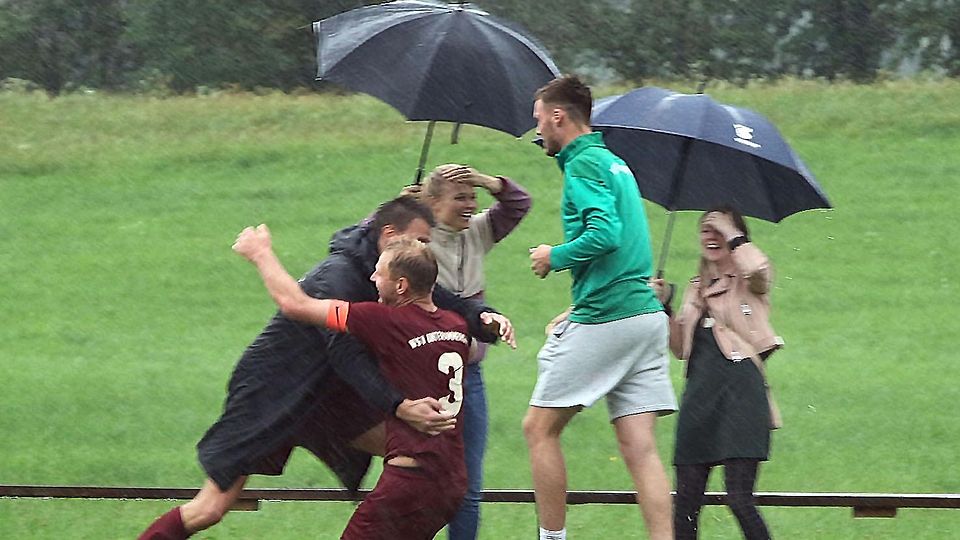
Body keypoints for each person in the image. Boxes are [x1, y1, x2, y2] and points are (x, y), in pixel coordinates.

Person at [138, 196, 514, 539]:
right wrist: (399, 405)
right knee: (210, 509)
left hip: (330, 396)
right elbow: (344, 355)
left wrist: (486, 316)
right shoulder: (341, 277)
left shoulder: (395, 275)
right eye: (419, 240)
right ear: (389, 236)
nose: (424, 249)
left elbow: (440, 298)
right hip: (272, 396)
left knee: (428, 460)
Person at [234, 227, 513, 538]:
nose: (371, 280)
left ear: (402, 285)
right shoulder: (456, 327)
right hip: (452, 482)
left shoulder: (383, 321)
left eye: (379, 273)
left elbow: (295, 305)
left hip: (410, 482)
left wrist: (260, 253)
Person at [524, 75, 677, 540]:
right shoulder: (614, 162)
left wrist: (555, 256)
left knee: (538, 428)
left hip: (611, 315)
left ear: (558, 116)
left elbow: (605, 234)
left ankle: (551, 539)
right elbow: (626, 247)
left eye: (539, 121)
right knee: (639, 448)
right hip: (647, 318)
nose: (538, 132)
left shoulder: (583, 166)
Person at [415, 162, 531, 539]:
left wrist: (484, 179)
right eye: (459, 197)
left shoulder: (477, 232)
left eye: (472, 197)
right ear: (432, 203)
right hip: (420, 378)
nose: (469, 204)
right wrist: (401, 204)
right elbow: (370, 236)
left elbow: (518, 203)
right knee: (417, 480)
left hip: (469, 377)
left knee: (466, 484)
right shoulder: (417, 239)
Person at [651, 208, 783, 540]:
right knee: (686, 503)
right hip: (700, 397)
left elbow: (759, 267)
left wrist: (730, 230)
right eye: (705, 229)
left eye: (718, 229)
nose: (711, 235)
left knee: (739, 499)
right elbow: (681, 349)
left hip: (741, 394)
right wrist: (664, 306)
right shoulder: (696, 289)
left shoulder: (751, 283)